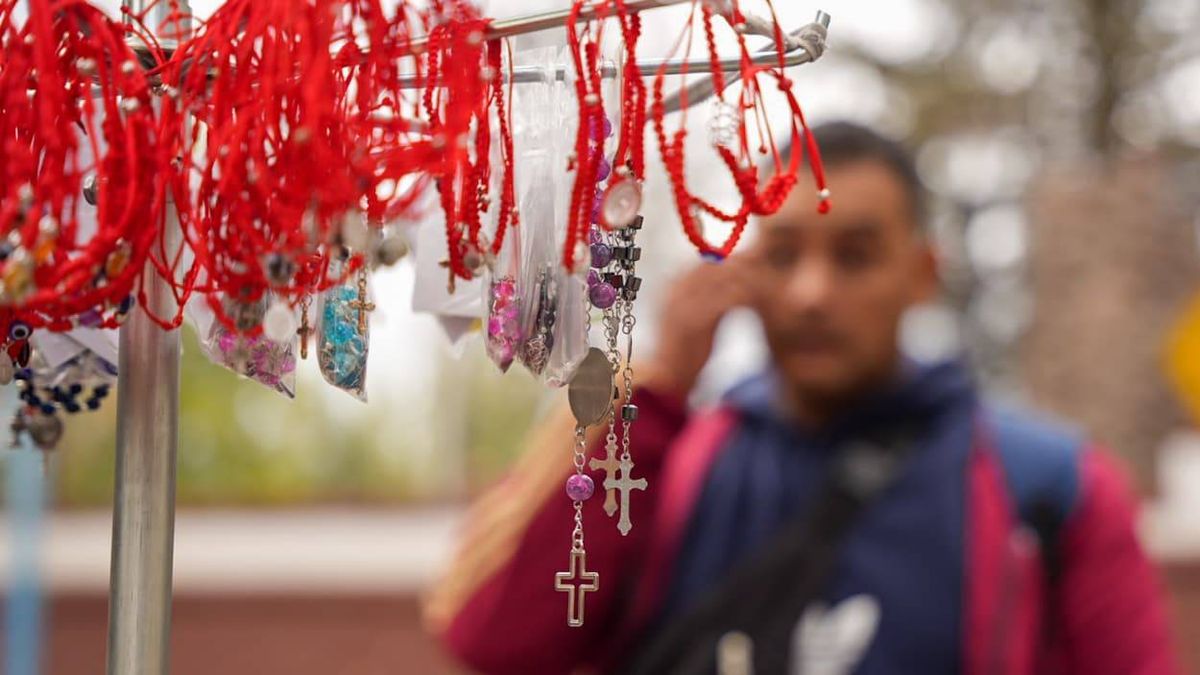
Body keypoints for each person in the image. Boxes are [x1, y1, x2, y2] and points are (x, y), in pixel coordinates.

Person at [423, 122, 1180, 675]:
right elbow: (494, 638)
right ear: (742, 275)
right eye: (781, 256)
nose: (812, 294)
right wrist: (652, 392)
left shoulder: (1051, 486)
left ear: (923, 273)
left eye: (855, 255)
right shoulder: (673, 456)